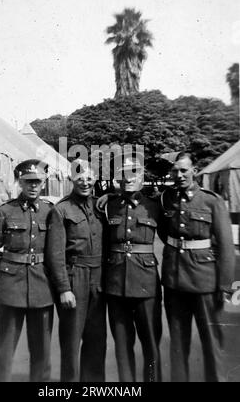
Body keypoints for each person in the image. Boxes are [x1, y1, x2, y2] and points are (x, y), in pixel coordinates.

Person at [157, 151, 235, 382]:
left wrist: (225, 284)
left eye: (183, 170)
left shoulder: (212, 201)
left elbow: (226, 246)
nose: (179, 175)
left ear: (194, 169)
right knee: (178, 343)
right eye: (175, 171)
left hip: (205, 282)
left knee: (212, 340)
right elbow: (164, 231)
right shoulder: (166, 198)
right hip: (174, 281)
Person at [0, 159, 54, 382]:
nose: (33, 186)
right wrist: (8, 267)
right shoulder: (5, 211)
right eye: (28, 182)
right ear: (20, 183)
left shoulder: (51, 212)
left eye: (37, 182)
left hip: (42, 287)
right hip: (11, 287)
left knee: (41, 349)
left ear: (43, 183)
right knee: (5, 347)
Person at [98, 156, 162, 382]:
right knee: (122, 345)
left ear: (142, 177)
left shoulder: (154, 206)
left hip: (146, 284)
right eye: (124, 173)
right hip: (116, 285)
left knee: (151, 343)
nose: (128, 177)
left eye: (134, 172)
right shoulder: (109, 205)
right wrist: (109, 196)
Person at [45, 159, 106, 382]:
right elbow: (55, 254)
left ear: (95, 179)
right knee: (71, 341)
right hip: (75, 277)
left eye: (89, 177)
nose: (85, 182)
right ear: (72, 179)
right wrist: (63, 288)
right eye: (80, 178)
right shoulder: (61, 210)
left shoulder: (101, 206)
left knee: (97, 339)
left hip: (98, 278)